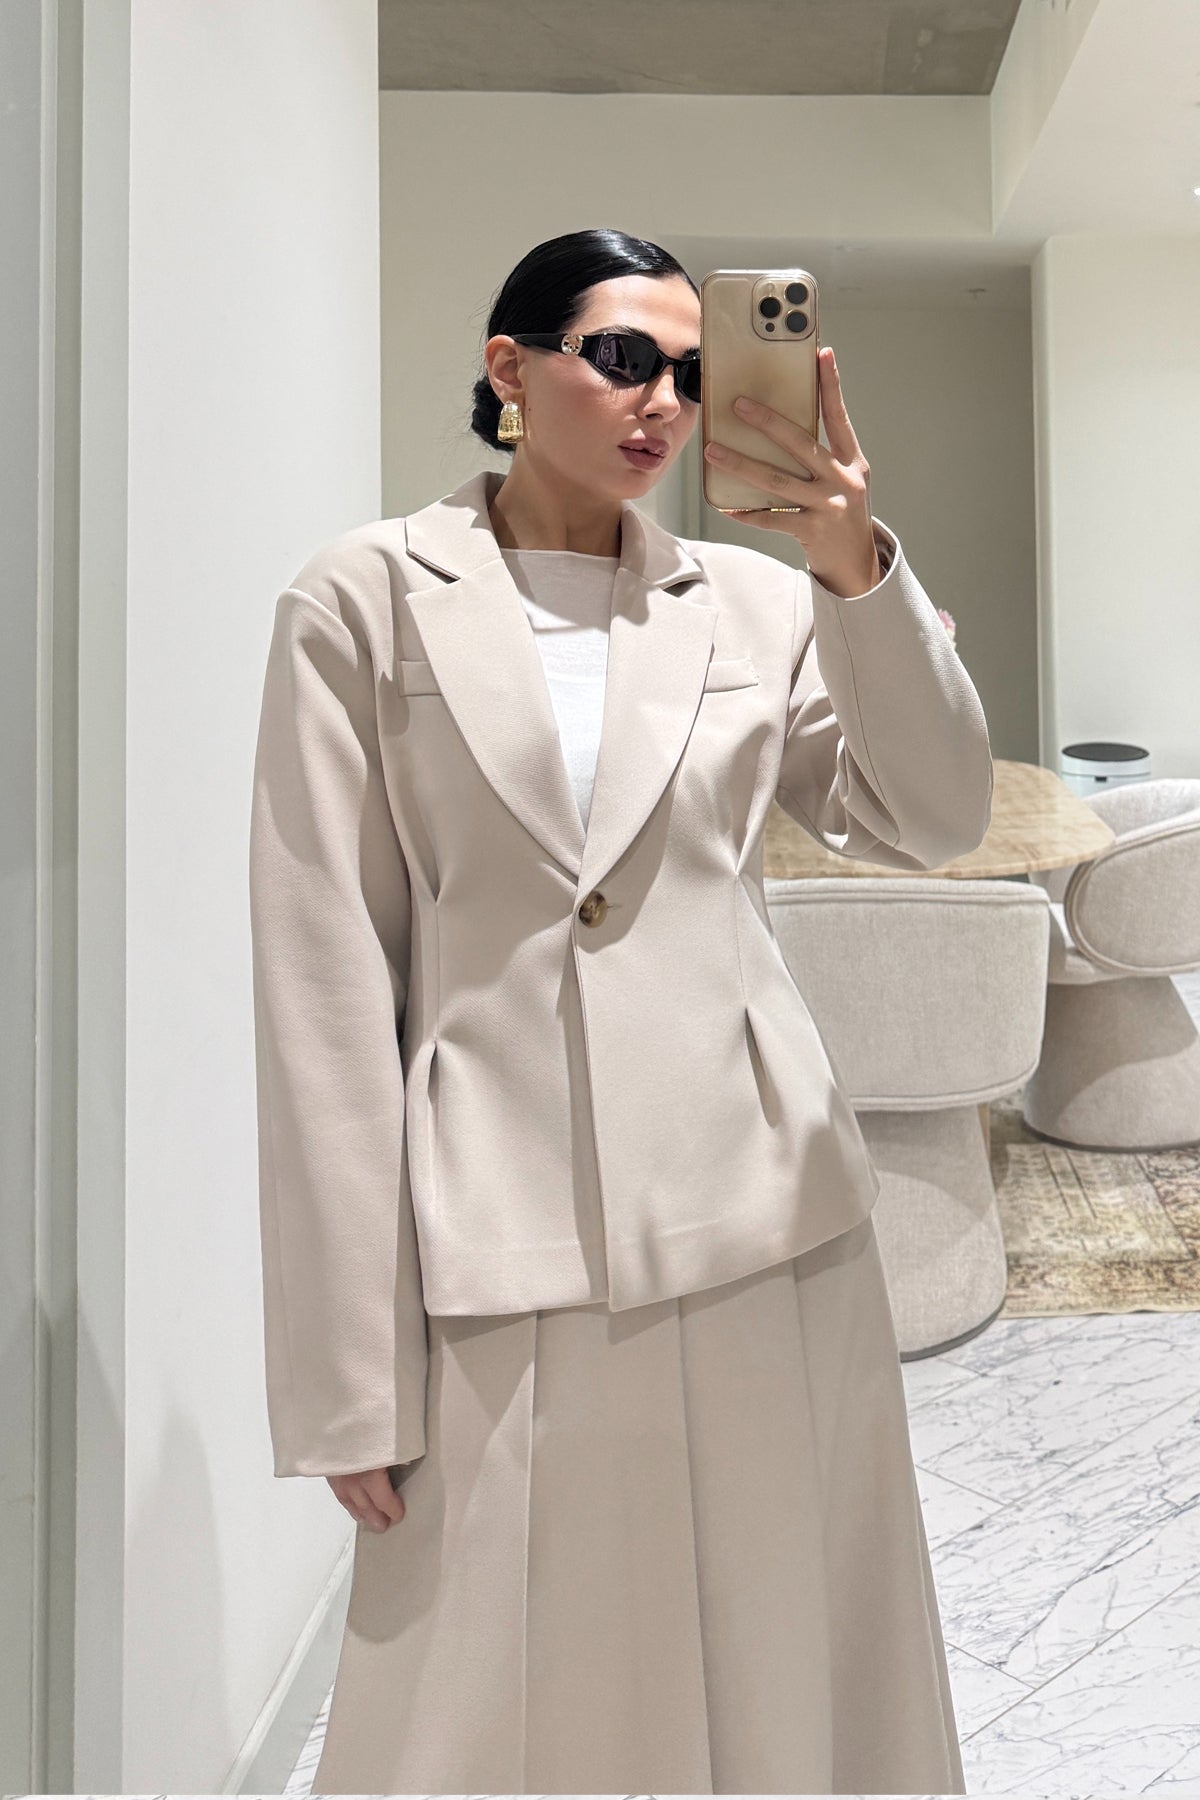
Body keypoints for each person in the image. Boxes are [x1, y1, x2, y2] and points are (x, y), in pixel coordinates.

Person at [248, 226, 991, 1794]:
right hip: (491, 1223)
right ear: (509, 370)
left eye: (693, 372)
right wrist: (346, 1369)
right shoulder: (364, 600)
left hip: (764, 1216)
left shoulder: (756, 602)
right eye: (623, 357)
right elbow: (324, 985)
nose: (663, 399)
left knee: (780, 1657)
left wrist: (854, 564)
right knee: (481, 1706)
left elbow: (934, 814)